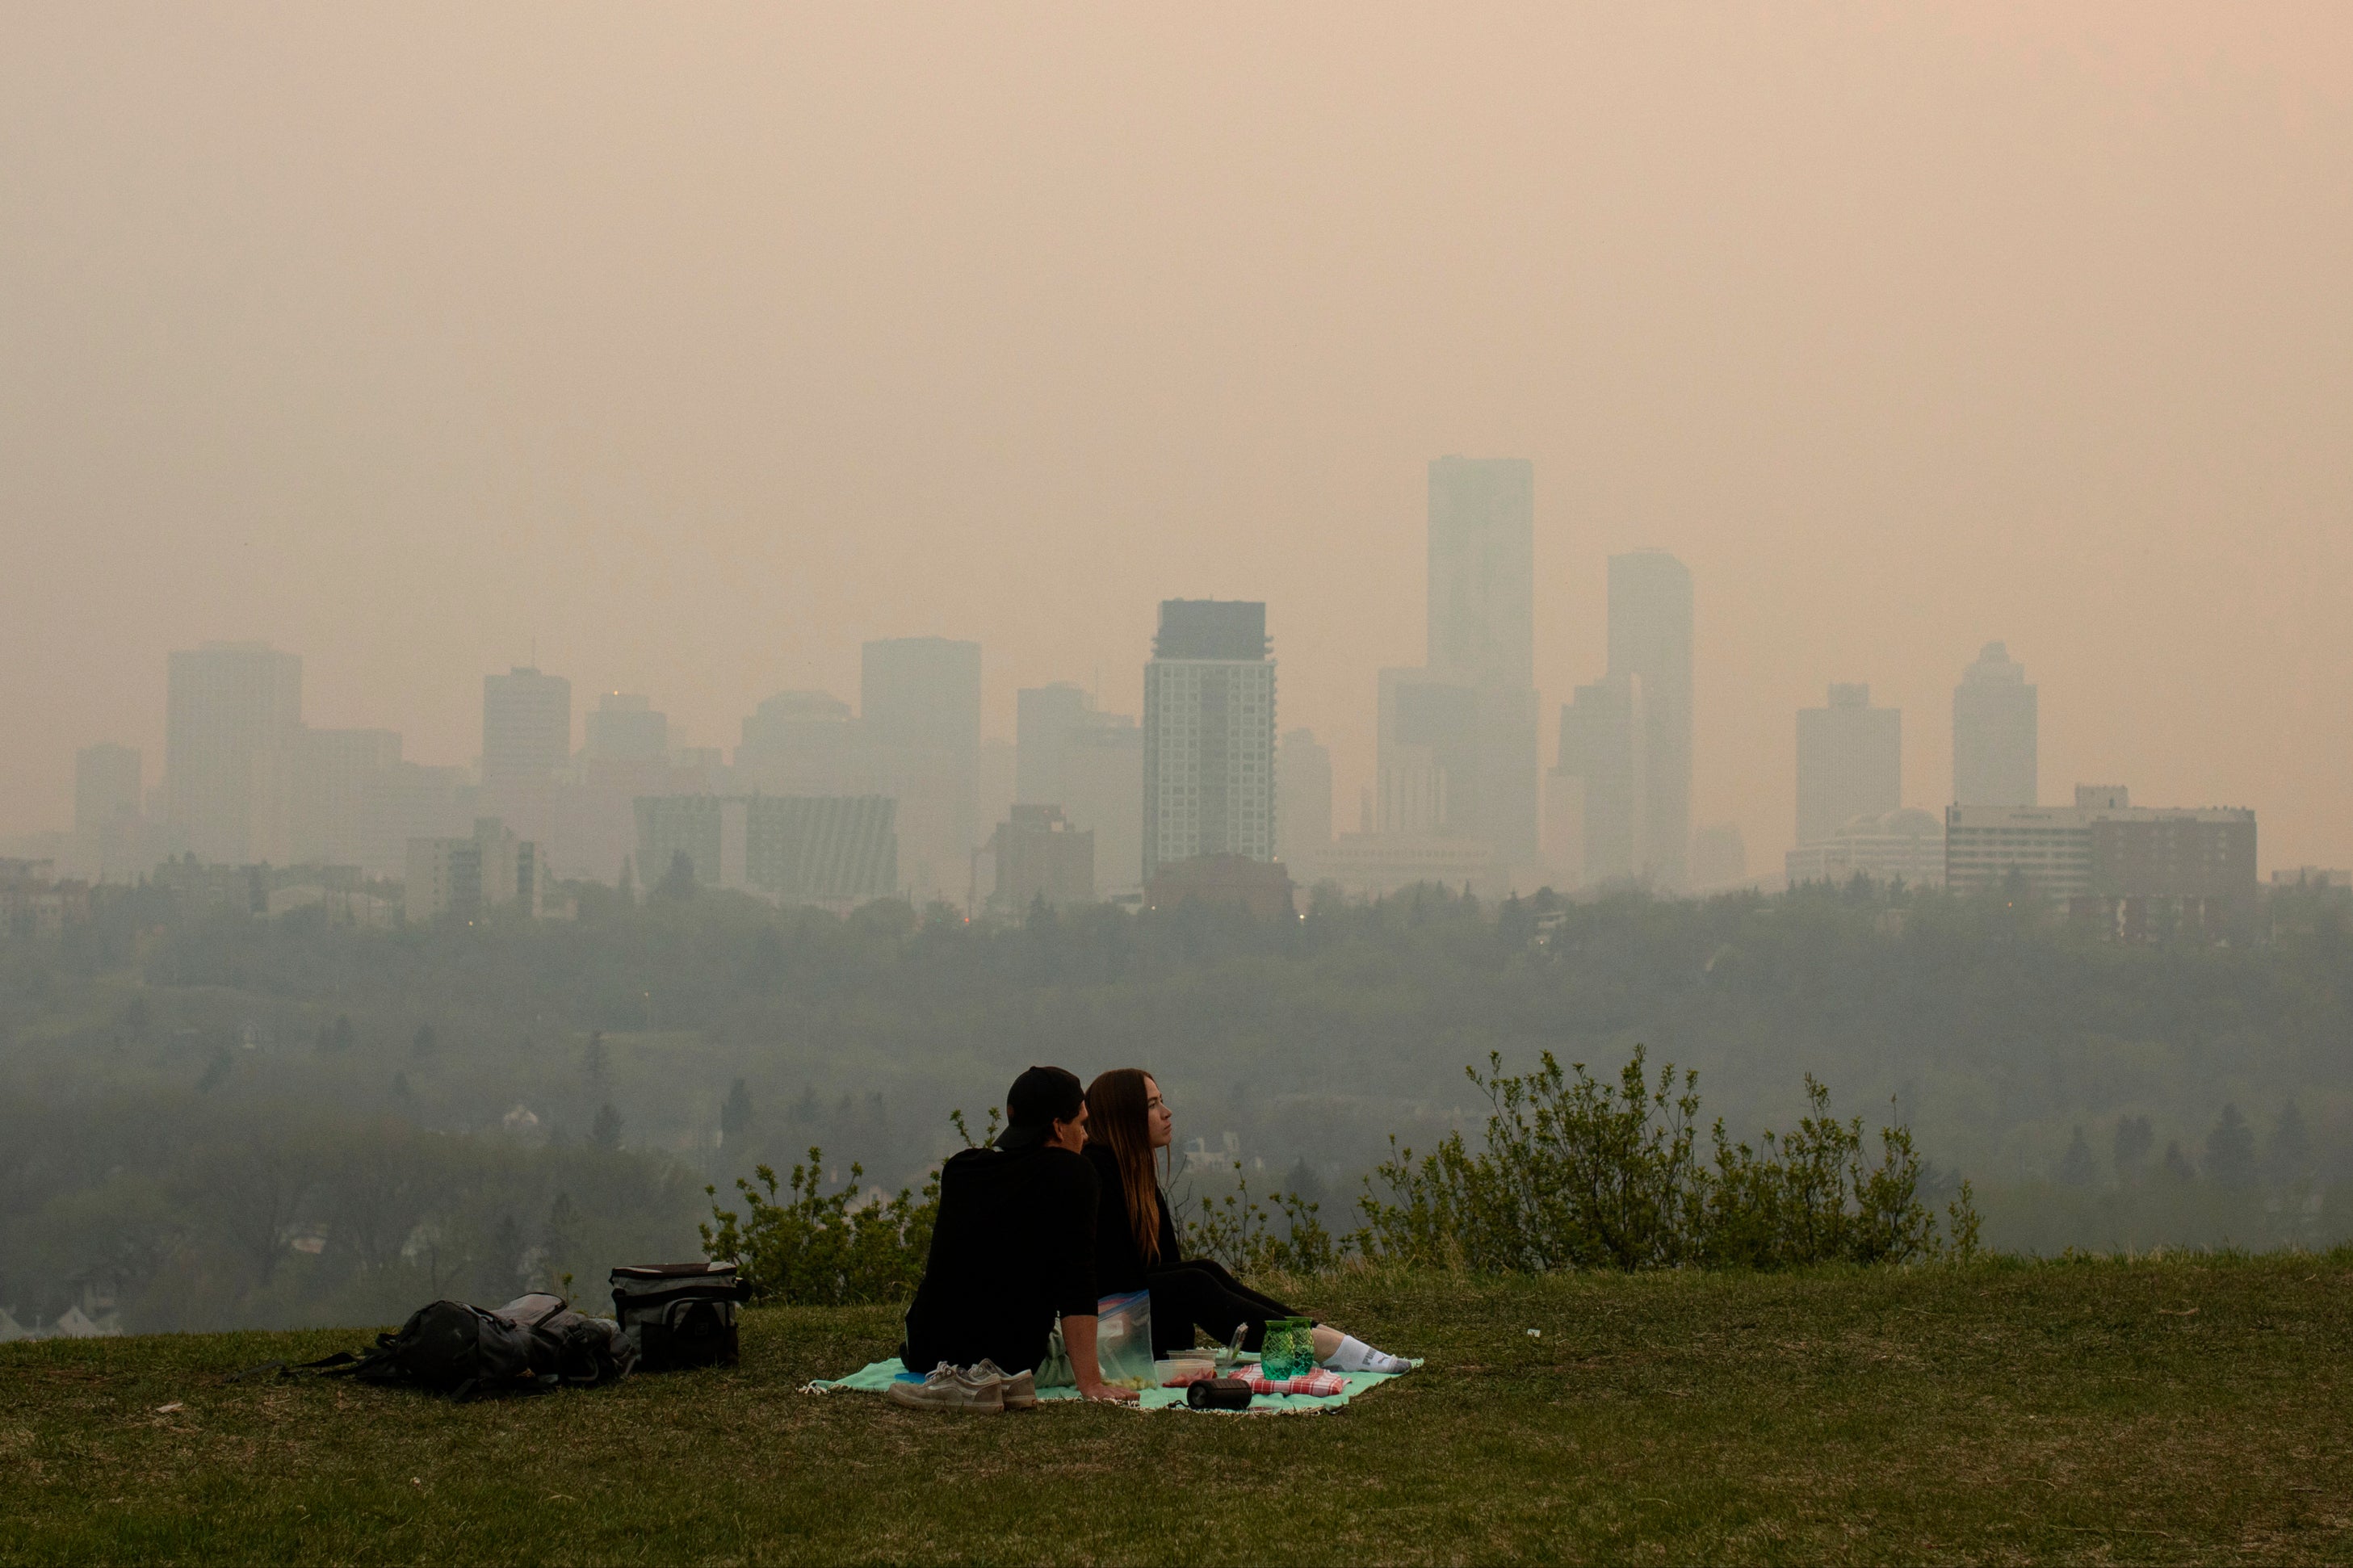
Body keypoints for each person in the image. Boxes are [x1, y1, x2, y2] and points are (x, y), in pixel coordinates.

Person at [1084, 1067, 1410, 1374]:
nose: (1167, 1113)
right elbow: (1115, 1280)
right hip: (1105, 1333)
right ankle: (1325, 1348)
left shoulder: (1134, 1173)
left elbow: (1162, 1265)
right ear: (1124, 1118)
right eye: (1153, 1105)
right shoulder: (1096, 1174)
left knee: (1205, 1270)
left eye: (1161, 1101)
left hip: (1134, 1323)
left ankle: (1325, 1340)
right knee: (1196, 1281)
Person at [898, 1064, 1138, 1406]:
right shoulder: (1073, 1172)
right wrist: (1091, 1383)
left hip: (926, 1350)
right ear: (1057, 1127)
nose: (1085, 1137)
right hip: (1008, 1360)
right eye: (1081, 1124)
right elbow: (1077, 1281)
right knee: (1122, 1329)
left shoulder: (962, 1168)